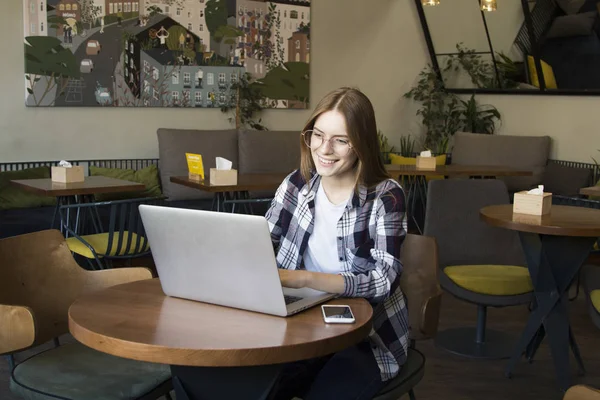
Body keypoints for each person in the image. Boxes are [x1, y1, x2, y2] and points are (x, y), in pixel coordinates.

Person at [265, 87, 409, 400]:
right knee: (249, 387)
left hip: (366, 338)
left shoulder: (386, 196)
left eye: (340, 140)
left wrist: (303, 278)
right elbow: (262, 241)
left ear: (362, 145)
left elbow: (384, 280)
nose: (325, 149)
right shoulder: (297, 183)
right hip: (300, 326)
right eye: (318, 135)